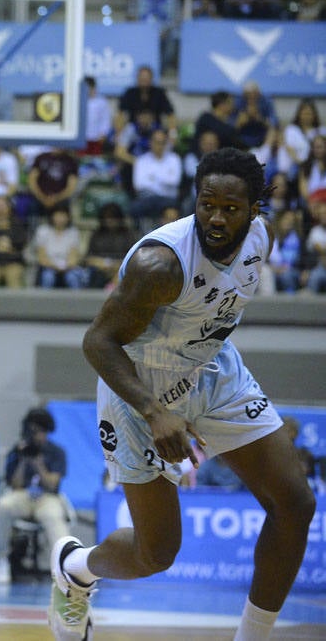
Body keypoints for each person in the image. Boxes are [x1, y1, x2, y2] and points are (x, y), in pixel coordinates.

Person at [48, 148, 316, 641]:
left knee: (295, 503)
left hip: (211, 370)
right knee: (157, 555)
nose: (215, 217)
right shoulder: (161, 265)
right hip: (137, 387)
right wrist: (153, 411)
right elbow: (97, 342)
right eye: (206, 203)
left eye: (230, 208)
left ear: (255, 210)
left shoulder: (263, 238)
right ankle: (76, 566)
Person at [0, 407, 69, 584]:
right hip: (23, 495)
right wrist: (23, 460)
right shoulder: (18, 451)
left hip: (47, 497)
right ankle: (1, 559)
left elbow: (52, 483)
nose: (37, 436)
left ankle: (64, 564)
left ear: (47, 431)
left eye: (41, 431)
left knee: (54, 516)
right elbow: (15, 484)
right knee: (3, 506)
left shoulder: (57, 452)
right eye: (34, 431)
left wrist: (38, 464)